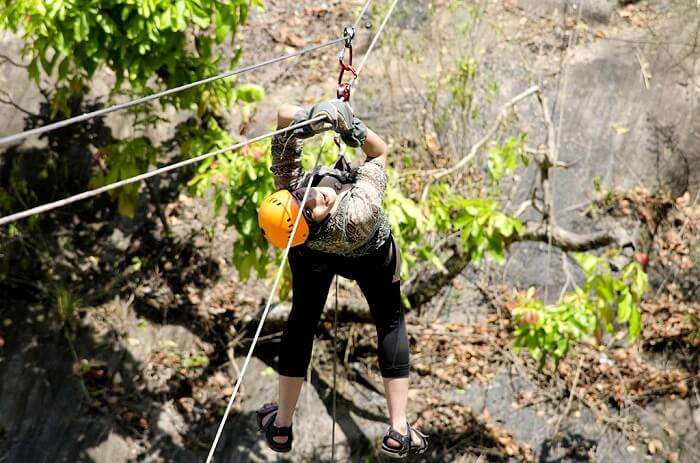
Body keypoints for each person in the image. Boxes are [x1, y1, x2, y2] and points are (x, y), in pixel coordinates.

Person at [255, 99, 428, 458]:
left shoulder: (287, 190)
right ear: (307, 225)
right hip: (369, 254)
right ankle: (398, 428)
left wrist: (312, 120)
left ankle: (282, 425)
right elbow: (378, 154)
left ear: (289, 193)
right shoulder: (357, 213)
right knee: (390, 320)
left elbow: (284, 114)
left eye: (304, 194)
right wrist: (353, 129)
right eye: (313, 210)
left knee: (301, 321)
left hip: (311, 256)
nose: (316, 196)